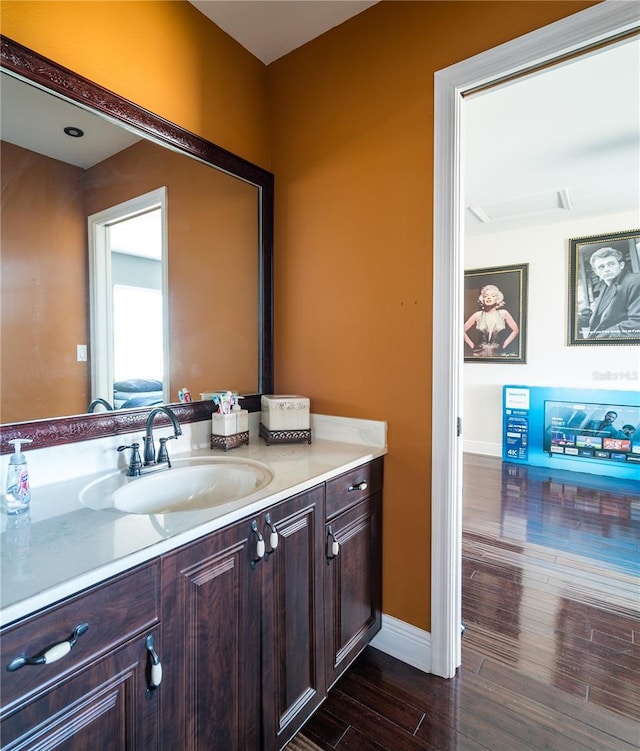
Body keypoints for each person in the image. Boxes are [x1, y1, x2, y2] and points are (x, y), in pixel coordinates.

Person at [586, 247, 640, 338]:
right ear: (596, 272)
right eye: (601, 267)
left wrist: (601, 338)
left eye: (611, 264)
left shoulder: (635, 281)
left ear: (621, 265)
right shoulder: (605, 287)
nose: (606, 269)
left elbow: (637, 323)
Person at [464, 284, 519, 357]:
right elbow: (461, 330)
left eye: (493, 296)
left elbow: (516, 330)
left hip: (498, 354)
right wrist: (472, 346)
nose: (489, 298)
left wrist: (504, 345)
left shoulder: (504, 313)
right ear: (482, 299)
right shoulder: (477, 315)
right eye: (486, 296)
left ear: (498, 298)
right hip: (479, 355)